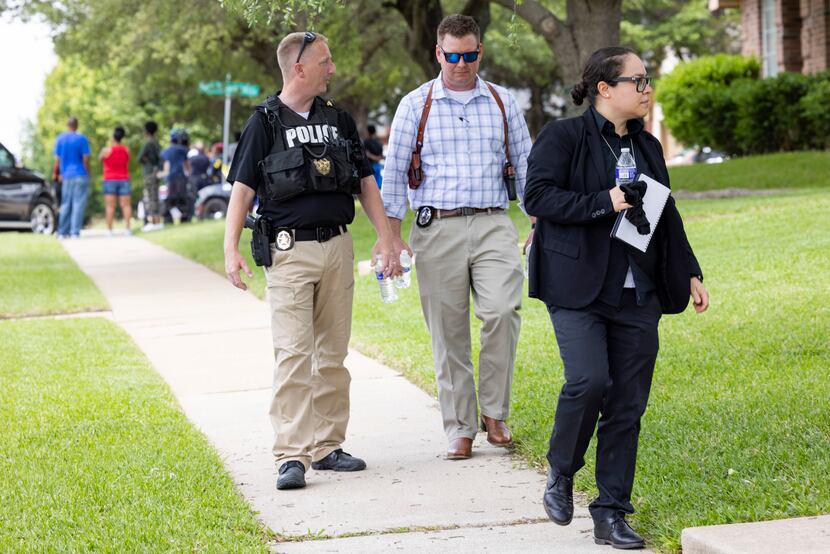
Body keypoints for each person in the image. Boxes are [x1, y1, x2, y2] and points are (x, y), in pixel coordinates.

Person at [524, 47, 710, 549]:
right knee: (588, 380)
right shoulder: (564, 136)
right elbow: (536, 196)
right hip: (576, 285)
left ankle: (610, 512)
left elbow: (665, 213)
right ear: (605, 88)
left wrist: (689, 270)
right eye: (639, 80)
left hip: (638, 289)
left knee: (627, 404)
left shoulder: (648, 145)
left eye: (648, 81)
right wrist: (601, 202)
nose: (647, 89)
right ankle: (561, 470)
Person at [223, 31, 397, 491]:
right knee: (294, 355)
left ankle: (327, 446)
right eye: (325, 61)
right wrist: (230, 250)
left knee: (333, 355)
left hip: (338, 247)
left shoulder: (338, 119)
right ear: (298, 68)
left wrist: (386, 238)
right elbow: (242, 189)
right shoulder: (263, 122)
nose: (332, 68)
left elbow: (365, 183)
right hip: (289, 252)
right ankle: (292, 455)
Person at [382, 14, 532, 460]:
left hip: (492, 223)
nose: (461, 63)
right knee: (448, 333)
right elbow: (393, 174)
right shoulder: (415, 104)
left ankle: (495, 414)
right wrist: (392, 237)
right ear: (438, 53)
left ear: (480, 52)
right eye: (453, 56)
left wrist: (538, 221)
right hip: (436, 226)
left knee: (503, 311)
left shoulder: (504, 103)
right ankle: (459, 426)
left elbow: (525, 167)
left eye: (469, 55)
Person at [52, 116, 90, 239]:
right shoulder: (82, 139)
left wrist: (56, 174)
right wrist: (88, 172)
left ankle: (62, 232)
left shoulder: (60, 139)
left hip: (66, 176)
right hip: (80, 174)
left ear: (68, 125)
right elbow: (85, 159)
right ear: (77, 125)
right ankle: (74, 232)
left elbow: (57, 160)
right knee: (78, 204)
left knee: (65, 204)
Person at [99, 126, 132, 234]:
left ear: (113, 138)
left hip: (109, 180)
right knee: (126, 205)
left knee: (110, 206)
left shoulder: (106, 150)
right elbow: (128, 161)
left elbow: (100, 159)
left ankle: (109, 230)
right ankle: (127, 229)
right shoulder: (126, 150)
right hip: (124, 179)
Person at [160, 129, 192, 223]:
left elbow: (163, 166)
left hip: (170, 178)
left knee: (169, 199)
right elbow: (186, 164)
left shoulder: (165, 152)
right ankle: (185, 217)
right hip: (181, 177)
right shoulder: (182, 150)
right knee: (182, 198)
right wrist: (189, 173)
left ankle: (168, 219)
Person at [138, 121, 163, 232]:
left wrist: (146, 160)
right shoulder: (157, 143)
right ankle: (157, 221)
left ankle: (154, 222)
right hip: (156, 172)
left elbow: (140, 158)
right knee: (155, 196)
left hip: (149, 173)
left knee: (150, 197)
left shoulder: (147, 143)